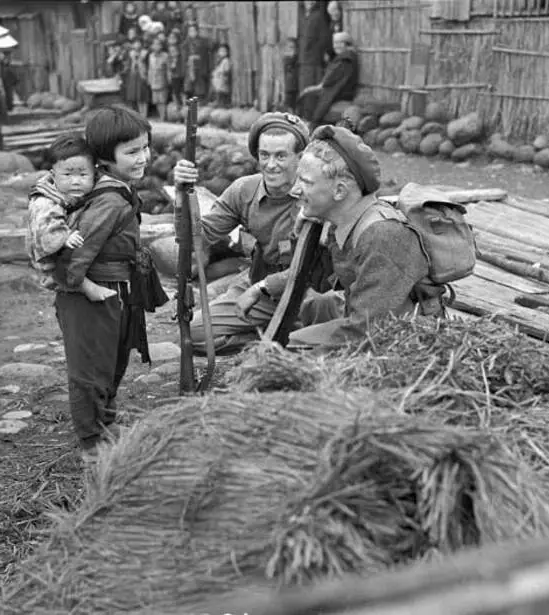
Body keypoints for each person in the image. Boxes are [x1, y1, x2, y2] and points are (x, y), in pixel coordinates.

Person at [235, 126, 430, 349]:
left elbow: (369, 331)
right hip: (371, 326)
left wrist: (293, 361)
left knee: (291, 348)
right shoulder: (341, 224)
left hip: (407, 341)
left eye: (306, 182)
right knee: (303, 326)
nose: (295, 191)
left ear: (339, 191)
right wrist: (299, 235)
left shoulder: (382, 235)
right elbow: (313, 278)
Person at [172, 112, 335, 355]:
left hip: (306, 289)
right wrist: (180, 197)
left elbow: (312, 266)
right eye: (264, 155)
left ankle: (288, 338)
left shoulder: (317, 193)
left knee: (324, 313)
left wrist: (262, 287)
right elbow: (196, 239)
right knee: (193, 334)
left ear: (300, 158)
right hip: (261, 286)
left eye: (281, 156)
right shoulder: (243, 191)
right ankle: (269, 342)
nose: (271, 165)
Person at [53, 106, 154, 456]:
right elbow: (76, 254)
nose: (143, 157)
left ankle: (105, 425)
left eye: (145, 147)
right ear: (104, 158)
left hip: (116, 292)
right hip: (91, 297)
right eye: (131, 151)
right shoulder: (109, 201)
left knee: (112, 362)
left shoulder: (120, 190)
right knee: (90, 371)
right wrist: (82, 286)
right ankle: (92, 444)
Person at [27, 134, 113, 302]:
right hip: (47, 255)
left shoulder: (83, 192)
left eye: (83, 175)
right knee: (61, 270)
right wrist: (64, 237)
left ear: (94, 173)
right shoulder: (45, 201)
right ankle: (80, 285)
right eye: (67, 175)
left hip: (67, 250)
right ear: (53, 175)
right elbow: (46, 227)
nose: (75, 182)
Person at [305, 31, 359, 126]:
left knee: (313, 99)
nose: (336, 46)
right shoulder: (343, 58)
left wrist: (320, 87)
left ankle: (313, 124)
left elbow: (333, 80)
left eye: (339, 43)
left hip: (343, 94)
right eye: (335, 43)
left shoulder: (346, 60)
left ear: (346, 44)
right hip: (339, 91)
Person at [298, 0, 333, 92]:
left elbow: (325, 38)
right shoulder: (302, 15)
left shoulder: (318, 16)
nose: (310, 2)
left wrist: (318, 52)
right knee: (304, 87)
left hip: (314, 60)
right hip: (303, 59)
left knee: (311, 88)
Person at [182, 23, 211, 102]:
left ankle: (201, 101)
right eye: (190, 30)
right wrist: (189, 59)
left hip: (200, 66)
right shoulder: (186, 43)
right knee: (189, 85)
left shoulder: (203, 41)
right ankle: (190, 103)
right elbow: (184, 55)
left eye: (194, 30)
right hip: (190, 66)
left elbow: (210, 47)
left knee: (200, 84)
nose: (192, 32)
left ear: (197, 31)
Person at [123, 39, 150, 117]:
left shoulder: (145, 53)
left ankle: (144, 114)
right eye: (135, 43)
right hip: (133, 76)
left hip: (143, 75)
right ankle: (137, 115)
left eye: (138, 43)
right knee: (134, 96)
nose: (136, 45)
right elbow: (127, 65)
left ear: (141, 44)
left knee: (143, 95)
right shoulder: (130, 53)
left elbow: (149, 65)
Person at [147, 36, 171, 120]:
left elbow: (168, 68)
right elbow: (150, 68)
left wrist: (169, 79)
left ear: (161, 46)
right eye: (154, 44)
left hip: (162, 79)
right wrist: (149, 79)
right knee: (156, 100)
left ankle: (163, 117)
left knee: (162, 99)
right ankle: (160, 115)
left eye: (158, 44)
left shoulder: (165, 55)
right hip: (154, 79)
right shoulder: (151, 56)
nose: (156, 46)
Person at [210, 43, 232, 107]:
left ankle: (222, 104)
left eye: (224, 51)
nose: (222, 52)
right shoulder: (219, 60)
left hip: (222, 79)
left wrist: (222, 74)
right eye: (220, 51)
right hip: (218, 79)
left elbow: (226, 70)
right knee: (218, 92)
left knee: (222, 92)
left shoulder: (226, 60)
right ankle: (218, 102)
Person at [282, 38, 299, 112]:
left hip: (294, 84)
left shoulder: (296, 57)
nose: (292, 49)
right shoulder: (286, 58)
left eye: (293, 47)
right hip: (288, 85)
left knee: (294, 101)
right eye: (290, 47)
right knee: (289, 101)